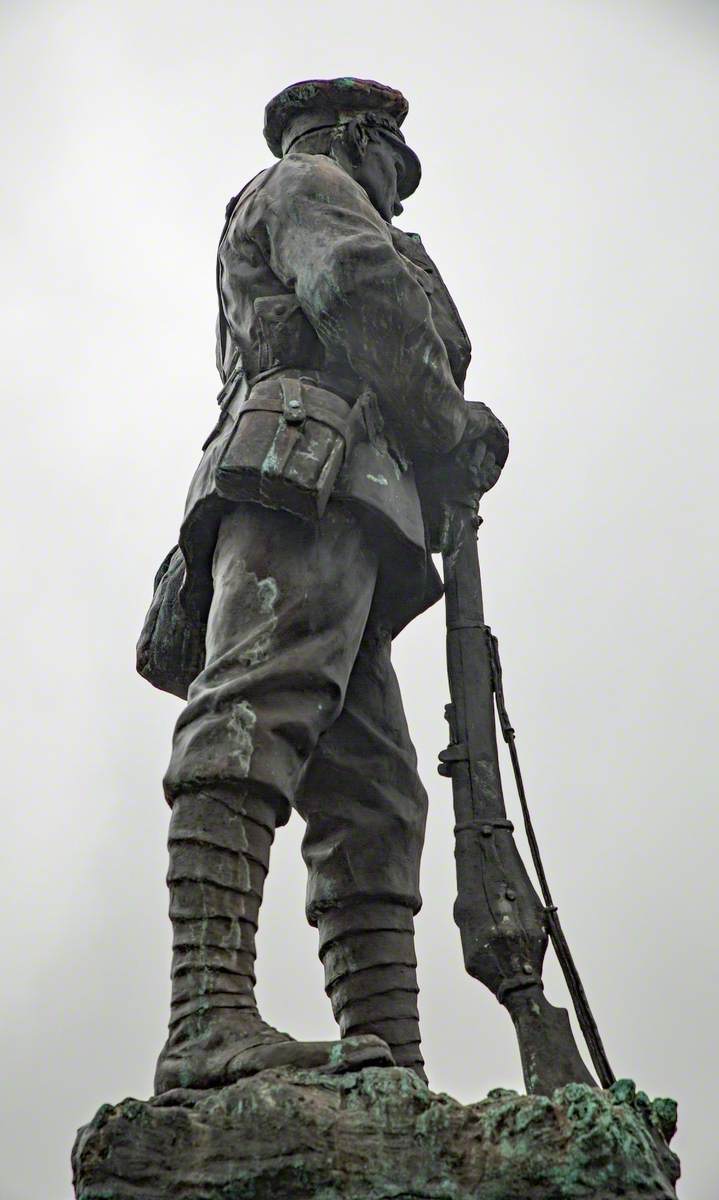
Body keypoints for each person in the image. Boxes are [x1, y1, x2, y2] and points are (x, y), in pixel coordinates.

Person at [141, 77, 508, 1094]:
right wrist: (449, 421)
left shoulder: (329, 193)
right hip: (308, 476)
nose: (396, 194)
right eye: (393, 164)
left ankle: (391, 1063)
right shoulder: (305, 180)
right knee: (254, 715)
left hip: (354, 501)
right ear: (359, 138)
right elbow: (356, 288)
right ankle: (206, 1018)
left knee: (375, 795)